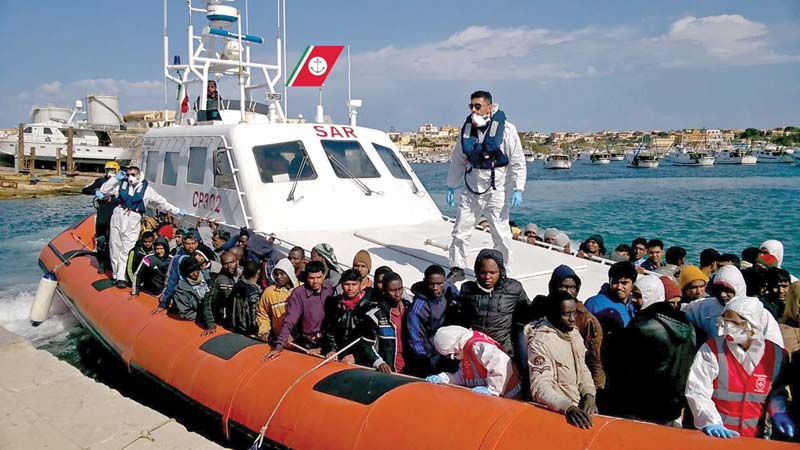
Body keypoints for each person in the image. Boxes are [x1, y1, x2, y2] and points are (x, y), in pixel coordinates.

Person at [686, 297, 794, 439]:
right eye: (725, 321)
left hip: (753, 437)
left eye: (735, 323)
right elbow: (698, 389)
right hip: (717, 436)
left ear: (752, 325)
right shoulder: (712, 350)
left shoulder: (777, 355)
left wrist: (779, 412)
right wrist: (710, 422)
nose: (728, 327)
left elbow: (776, 391)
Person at [445, 90, 526, 280]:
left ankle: (504, 271)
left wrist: (518, 189)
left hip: (497, 190)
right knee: (460, 231)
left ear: (489, 107)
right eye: (471, 106)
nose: (473, 109)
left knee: (501, 234)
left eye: (478, 106)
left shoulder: (506, 130)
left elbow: (517, 161)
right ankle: (457, 267)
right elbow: (458, 159)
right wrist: (451, 185)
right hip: (471, 189)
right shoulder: (467, 130)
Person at [603, 274, 696, 424]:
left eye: (638, 296)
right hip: (671, 408)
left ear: (650, 296)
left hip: (640, 407)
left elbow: (617, 361)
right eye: (633, 295)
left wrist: (612, 336)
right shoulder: (688, 326)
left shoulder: (644, 327)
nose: (633, 299)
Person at [100, 166, 183, 288]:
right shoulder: (121, 185)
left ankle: (121, 277)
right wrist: (115, 179)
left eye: (133, 174)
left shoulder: (147, 190)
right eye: (128, 174)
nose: (130, 177)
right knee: (115, 247)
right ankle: (116, 275)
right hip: (119, 215)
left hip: (133, 219)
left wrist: (176, 211)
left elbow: (162, 203)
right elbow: (104, 190)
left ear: (139, 175)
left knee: (127, 249)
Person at [525, 291, 598, 429]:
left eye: (574, 313)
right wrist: (567, 408)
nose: (572, 319)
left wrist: (589, 394)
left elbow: (583, 369)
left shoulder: (574, 334)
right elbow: (540, 387)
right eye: (566, 314)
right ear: (553, 314)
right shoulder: (540, 342)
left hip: (578, 408)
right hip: (558, 413)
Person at [529, 265, 605, 389]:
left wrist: (594, 391)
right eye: (563, 286)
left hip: (576, 384)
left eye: (572, 287)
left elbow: (594, 359)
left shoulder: (586, 319)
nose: (568, 291)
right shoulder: (539, 308)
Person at [682, 265, 784, 347]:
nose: (722, 295)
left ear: (738, 288)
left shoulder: (759, 312)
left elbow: (775, 345)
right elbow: (679, 313)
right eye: (718, 290)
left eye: (727, 290)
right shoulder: (703, 307)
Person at [455, 249, 530, 361]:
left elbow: (527, 313)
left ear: (500, 271)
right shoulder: (467, 289)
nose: (487, 277)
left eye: (492, 273)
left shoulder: (514, 288)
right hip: (475, 348)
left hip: (502, 351)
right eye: (483, 272)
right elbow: (461, 320)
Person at [426, 325, 521, 398]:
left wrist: (492, 391)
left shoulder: (476, 346)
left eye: (453, 354)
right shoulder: (466, 350)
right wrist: (443, 379)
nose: (454, 357)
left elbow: (501, 362)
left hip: (509, 396)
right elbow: (463, 377)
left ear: (455, 347)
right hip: (497, 396)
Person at [266, 261, 335, 358]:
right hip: (306, 342)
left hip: (327, 343)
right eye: (311, 278)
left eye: (318, 278)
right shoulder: (298, 293)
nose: (315, 281)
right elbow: (289, 320)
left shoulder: (330, 288)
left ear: (324, 276)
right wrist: (278, 347)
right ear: (306, 277)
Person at [404, 264, 459, 377]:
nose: (435, 287)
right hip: (430, 356)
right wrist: (424, 359)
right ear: (425, 282)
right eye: (431, 284)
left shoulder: (448, 288)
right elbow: (415, 337)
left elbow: (458, 295)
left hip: (447, 351)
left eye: (439, 284)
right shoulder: (418, 308)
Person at [322, 269, 374, 363]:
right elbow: (329, 329)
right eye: (347, 284)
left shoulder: (368, 307)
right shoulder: (333, 303)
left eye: (354, 285)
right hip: (337, 354)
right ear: (341, 285)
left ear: (360, 285)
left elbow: (369, 338)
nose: (350, 288)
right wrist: (332, 349)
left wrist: (356, 356)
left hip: (359, 358)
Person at [360, 272, 408, 373]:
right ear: (384, 291)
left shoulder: (409, 310)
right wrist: (379, 362)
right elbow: (366, 344)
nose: (398, 294)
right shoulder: (374, 315)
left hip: (409, 369)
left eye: (400, 289)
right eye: (393, 290)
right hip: (387, 371)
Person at [82, 161, 120, 273]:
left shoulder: (121, 182)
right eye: (108, 170)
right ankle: (102, 264)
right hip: (103, 212)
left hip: (116, 213)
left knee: (113, 240)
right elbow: (85, 189)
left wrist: (112, 199)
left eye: (112, 170)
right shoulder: (101, 181)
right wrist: (96, 192)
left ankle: (111, 263)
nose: (110, 172)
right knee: (101, 239)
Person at [584, 261, 638, 338]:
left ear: (632, 285)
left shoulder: (633, 305)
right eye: (615, 282)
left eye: (624, 283)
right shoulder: (594, 303)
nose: (619, 287)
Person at [257, 258, 299, 343]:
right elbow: (262, 314)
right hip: (280, 340)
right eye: (276, 274)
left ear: (289, 273)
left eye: (282, 274)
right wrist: (264, 331)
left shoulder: (301, 288)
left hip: (301, 340)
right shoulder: (269, 292)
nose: (279, 277)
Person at [158, 233, 199, 312]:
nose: (191, 246)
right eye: (188, 244)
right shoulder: (178, 259)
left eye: (193, 243)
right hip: (182, 296)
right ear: (183, 244)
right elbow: (171, 280)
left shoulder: (200, 255)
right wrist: (164, 303)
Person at [170, 258, 214, 332]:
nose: (195, 273)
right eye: (191, 271)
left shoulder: (210, 277)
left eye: (196, 269)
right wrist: (203, 317)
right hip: (201, 319)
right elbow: (185, 312)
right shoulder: (181, 290)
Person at [229, 261, 263, 337]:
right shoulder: (253, 292)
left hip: (234, 327)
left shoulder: (237, 286)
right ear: (258, 272)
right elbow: (254, 314)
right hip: (248, 331)